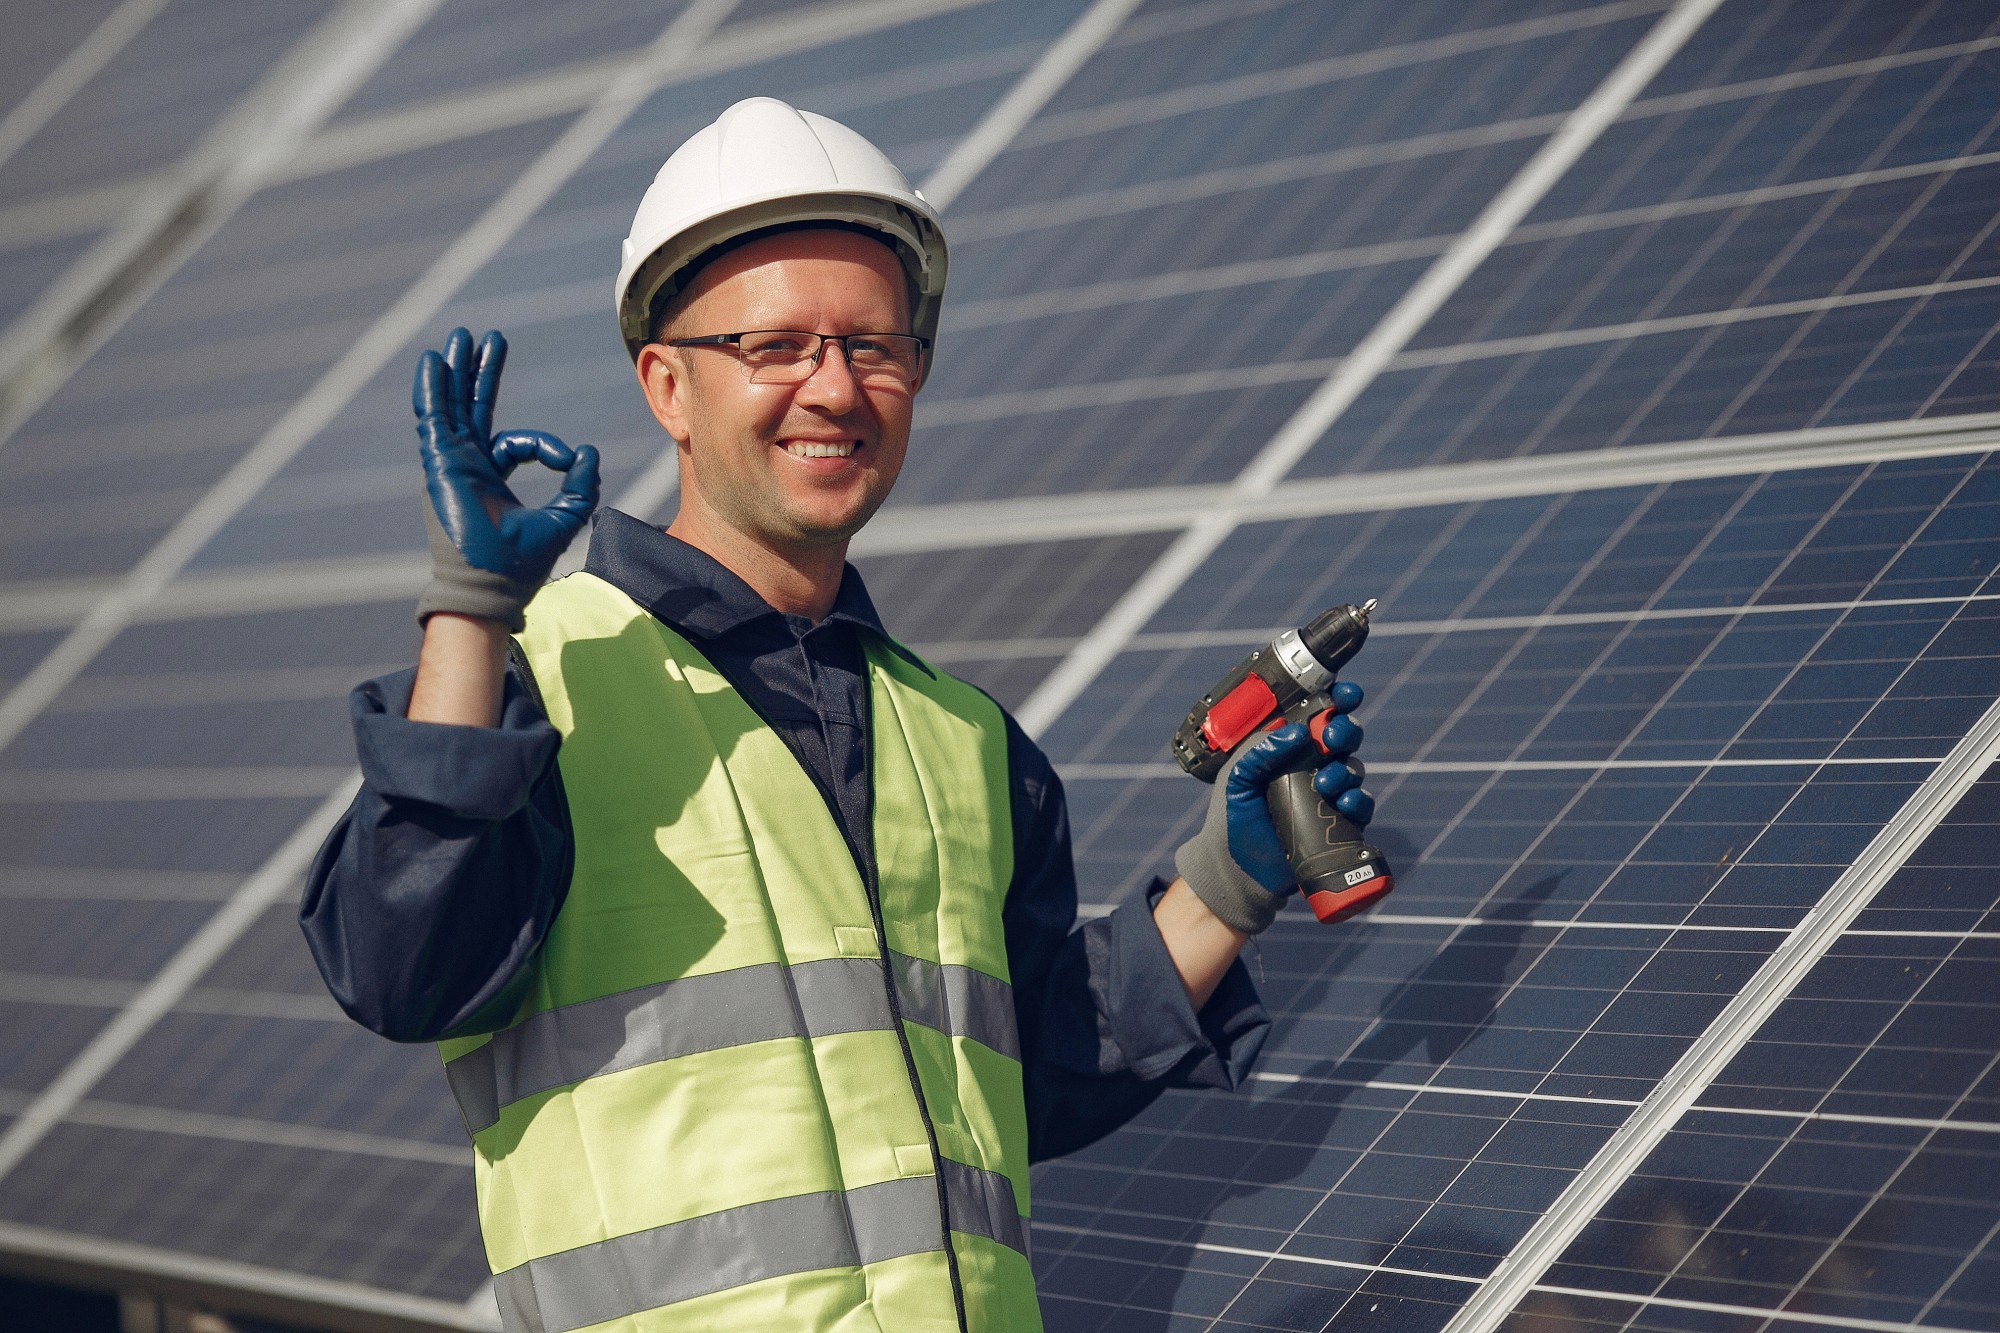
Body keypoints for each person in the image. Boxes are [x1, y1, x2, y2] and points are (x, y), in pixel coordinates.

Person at [301, 97, 1375, 1333]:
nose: (835, 387)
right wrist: (471, 611)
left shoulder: (965, 741)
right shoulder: (528, 693)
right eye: (776, 348)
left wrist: (1222, 887)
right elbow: (401, 973)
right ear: (667, 386)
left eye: (875, 347)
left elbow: (1013, 1081)